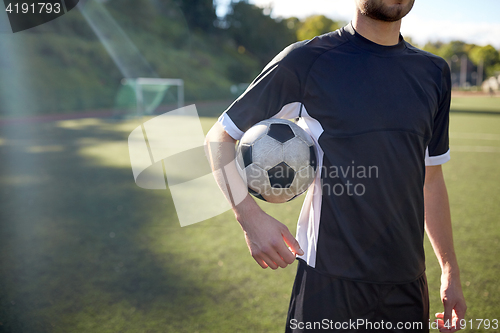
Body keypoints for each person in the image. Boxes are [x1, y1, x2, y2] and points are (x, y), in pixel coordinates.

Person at [205, 0, 467, 332]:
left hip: (407, 286)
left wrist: (450, 270)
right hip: (328, 286)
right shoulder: (306, 61)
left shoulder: (434, 72)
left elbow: (430, 180)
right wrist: (251, 219)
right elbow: (219, 138)